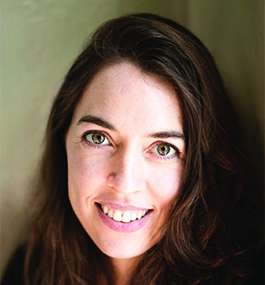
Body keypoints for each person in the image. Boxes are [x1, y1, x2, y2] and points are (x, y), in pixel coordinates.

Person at [2, 13, 263, 285]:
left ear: (204, 164)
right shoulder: (31, 271)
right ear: (63, 140)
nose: (125, 183)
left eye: (164, 149)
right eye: (98, 138)